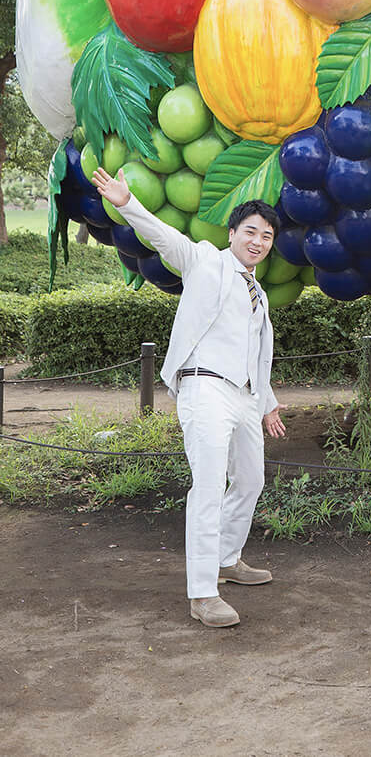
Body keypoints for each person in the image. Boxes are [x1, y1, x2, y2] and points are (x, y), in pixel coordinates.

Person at [91, 165, 286, 629]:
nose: (258, 241)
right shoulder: (205, 261)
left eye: (267, 236)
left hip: (245, 397)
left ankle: (226, 559)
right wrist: (127, 203)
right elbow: (164, 237)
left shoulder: (257, 292)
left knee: (251, 480)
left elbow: (254, 352)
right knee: (209, 486)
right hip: (205, 388)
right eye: (251, 232)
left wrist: (267, 401)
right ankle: (202, 593)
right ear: (232, 233)